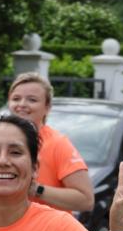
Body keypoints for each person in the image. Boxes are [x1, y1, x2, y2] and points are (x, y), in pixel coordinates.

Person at [7, 72, 94, 212]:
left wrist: (36, 189)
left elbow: (86, 200)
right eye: (16, 98)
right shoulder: (0, 140)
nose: (22, 104)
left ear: (47, 107)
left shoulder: (57, 143)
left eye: (32, 100)